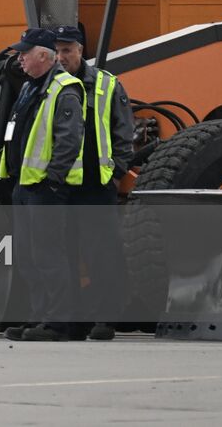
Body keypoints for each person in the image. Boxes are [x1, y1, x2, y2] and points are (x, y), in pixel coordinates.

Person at [0, 27, 85, 342]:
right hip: (24, 186)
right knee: (29, 257)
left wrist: (53, 180)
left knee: (49, 256)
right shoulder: (30, 88)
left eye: (25, 53)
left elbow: (69, 139)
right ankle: (39, 317)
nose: (19, 58)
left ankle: (58, 321)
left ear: (44, 56)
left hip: (44, 188)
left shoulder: (64, 88)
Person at [54, 25, 135, 341]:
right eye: (57, 51)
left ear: (79, 51)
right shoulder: (49, 85)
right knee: (64, 255)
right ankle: (73, 321)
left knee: (102, 255)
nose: (62, 58)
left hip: (94, 187)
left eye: (67, 51)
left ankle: (105, 318)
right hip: (61, 188)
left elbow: (124, 132)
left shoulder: (106, 84)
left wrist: (116, 173)